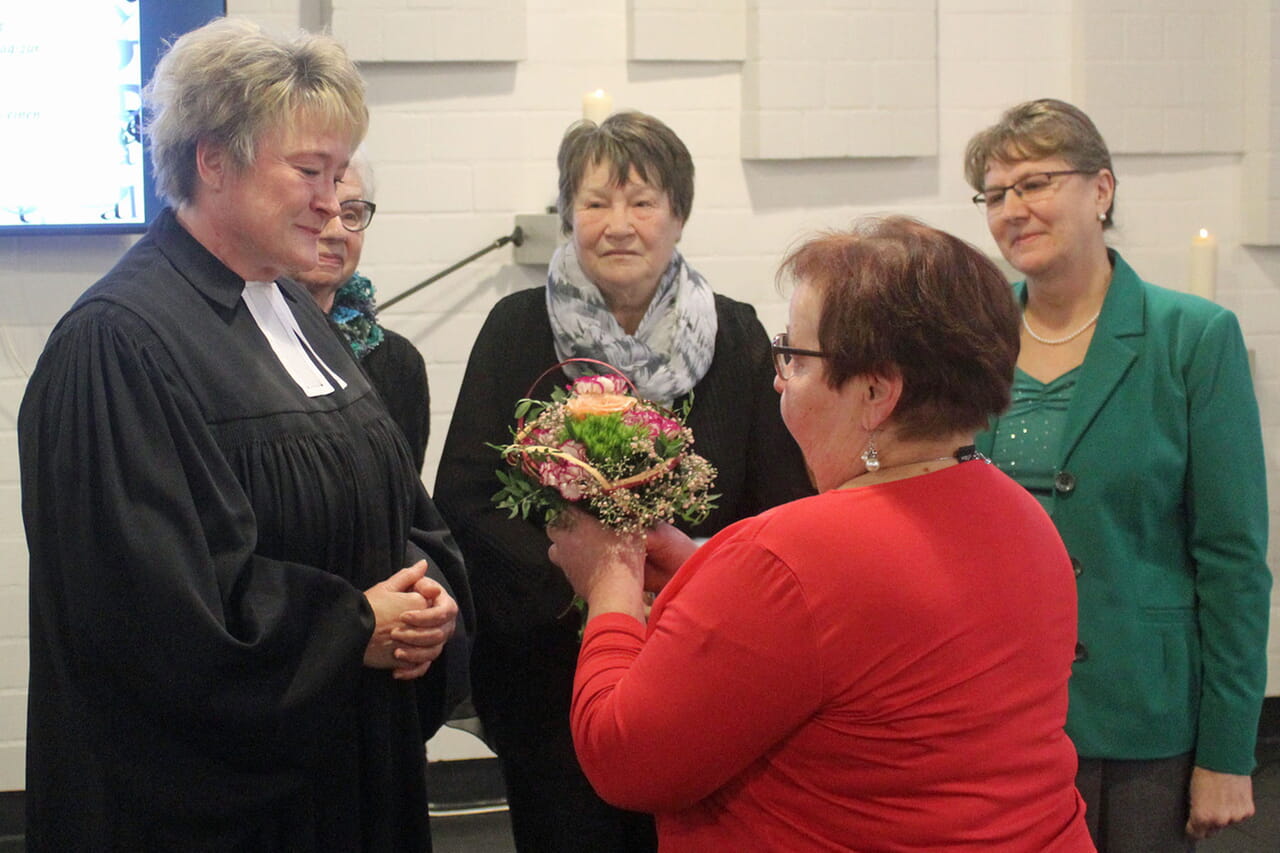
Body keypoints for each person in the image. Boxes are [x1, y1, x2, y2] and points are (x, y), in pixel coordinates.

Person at [18, 18, 472, 851]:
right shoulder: (116, 345)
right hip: (223, 815)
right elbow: (148, 616)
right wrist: (350, 629)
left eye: (340, 174)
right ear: (212, 160)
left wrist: (429, 593)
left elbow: (390, 497)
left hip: (347, 772)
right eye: (309, 170)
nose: (334, 203)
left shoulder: (293, 307)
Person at [546, 216, 1094, 851]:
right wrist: (702, 568)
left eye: (795, 358)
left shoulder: (790, 557)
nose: (778, 378)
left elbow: (625, 759)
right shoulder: (1021, 514)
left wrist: (608, 578)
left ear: (875, 391)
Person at [434, 110, 813, 852]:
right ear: (568, 214)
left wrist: (681, 589)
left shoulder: (735, 335)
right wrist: (587, 583)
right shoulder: (517, 327)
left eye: (642, 202)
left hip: (703, 664)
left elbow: (781, 506)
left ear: (678, 214)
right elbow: (466, 496)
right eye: (595, 201)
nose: (618, 224)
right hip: (550, 677)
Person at [964, 98, 1270, 851]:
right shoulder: (970, 333)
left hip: (1140, 716)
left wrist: (1229, 752)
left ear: (1100, 190)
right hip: (995, 711)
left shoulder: (1192, 338)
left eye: (1034, 183)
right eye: (996, 194)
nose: (1013, 209)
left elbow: (1233, 561)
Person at [292, 149, 433, 471]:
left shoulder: (397, 362)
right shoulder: (242, 345)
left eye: (351, 215)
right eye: (320, 210)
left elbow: (405, 499)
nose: (338, 231)